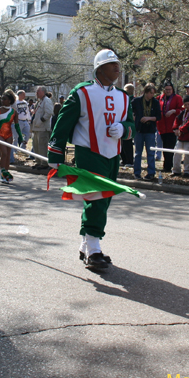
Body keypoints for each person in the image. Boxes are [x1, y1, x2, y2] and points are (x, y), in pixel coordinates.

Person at [47, 49, 134, 270]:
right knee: (96, 199)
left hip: (113, 155)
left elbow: (132, 125)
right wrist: (55, 153)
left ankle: (86, 245)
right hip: (88, 152)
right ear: (100, 68)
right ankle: (94, 249)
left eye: (117, 63)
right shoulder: (82, 92)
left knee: (104, 200)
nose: (117, 67)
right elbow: (63, 123)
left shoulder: (124, 97)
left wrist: (123, 129)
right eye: (112, 64)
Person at [0, 89, 22, 183]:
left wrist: (21, 137)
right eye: (2, 99)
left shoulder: (14, 112)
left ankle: (6, 172)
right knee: (4, 153)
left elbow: (17, 126)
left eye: (4, 99)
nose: (2, 101)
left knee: (8, 155)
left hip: (9, 134)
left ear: (10, 101)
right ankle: (2, 172)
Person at [132, 84, 161, 180]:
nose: (152, 95)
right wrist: (133, 118)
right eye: (150, 93)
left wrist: (149, 118)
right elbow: (129, 110)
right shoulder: (137, 101)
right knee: (138, 152)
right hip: (139, 130)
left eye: (153, 93)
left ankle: (151, 173)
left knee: (151, 152)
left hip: (150, 131)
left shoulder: (155, 102)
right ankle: (137, 172)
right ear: (146, 92)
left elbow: (159, 116)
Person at [157, 82, 183, 173]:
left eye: (169, 89)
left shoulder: (177, 98)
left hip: (172, 126)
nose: (168, 91)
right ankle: (166, 165)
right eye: (166, 89)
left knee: (170, 147)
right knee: (165, 147)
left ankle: (169, 165)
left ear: (172, 90)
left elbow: (182, 110)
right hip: (162, 127)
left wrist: (174, 111)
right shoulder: (160, 98)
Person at [171, 96, 189, 178]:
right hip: (181, 137)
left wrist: (180, 130)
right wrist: (175, 128)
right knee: (177, 153)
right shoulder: (183, 112)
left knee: (188, 155)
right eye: (185, 105)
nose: (187, 106)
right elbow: (177, 119)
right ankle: (176, 170)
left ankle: (187, 171)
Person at [31, 86, 54, 169]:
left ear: (43, 92)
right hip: (36, 128)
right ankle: (38, 162)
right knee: (36, 146)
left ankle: (44, 163)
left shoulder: (47, 100)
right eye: (36, 91)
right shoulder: (39, 101)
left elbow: (49, 113)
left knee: (42, 146)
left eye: (38, 91)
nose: (36, 93)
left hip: (43, 128)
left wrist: (40, 121)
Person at [120, 83, 135, 167]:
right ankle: (125, 160)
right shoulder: (125, 99)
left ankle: (128, 160)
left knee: (127, 143)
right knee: (124, 143)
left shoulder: (130, 100)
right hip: (125, 123)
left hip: (127, 124)